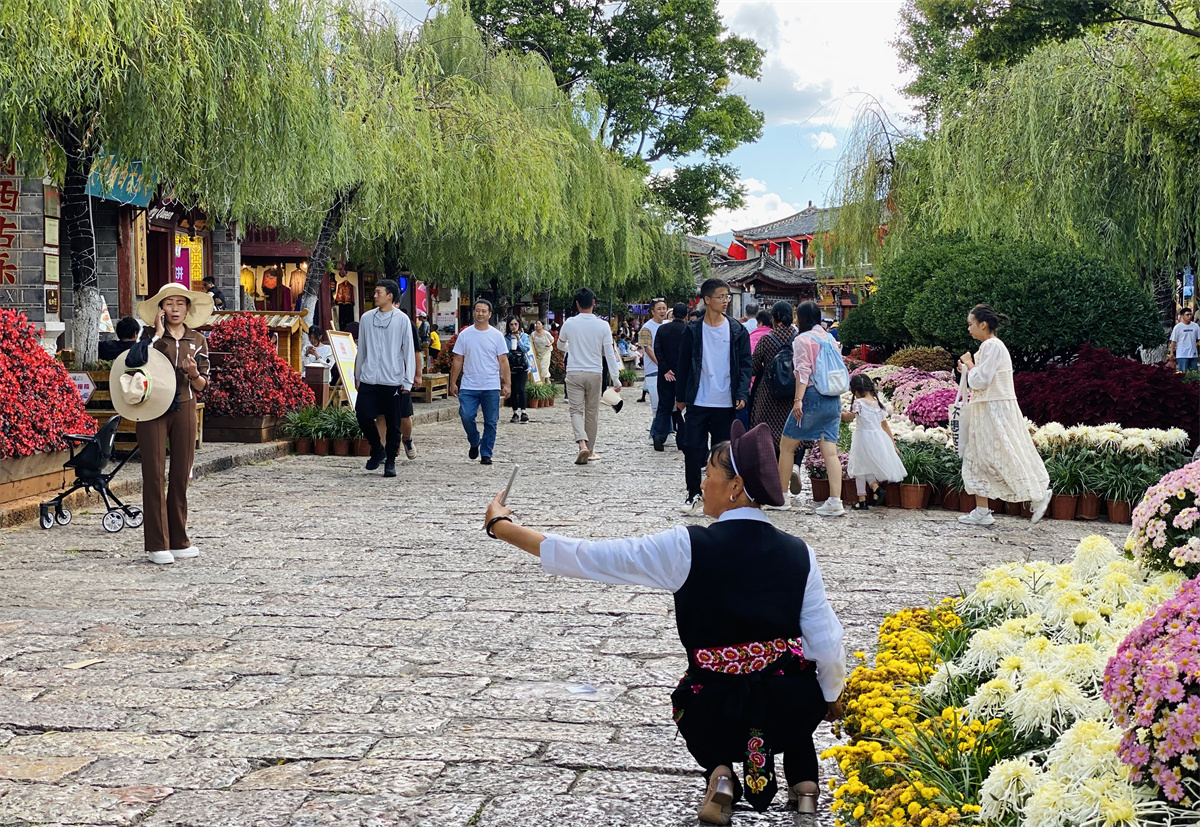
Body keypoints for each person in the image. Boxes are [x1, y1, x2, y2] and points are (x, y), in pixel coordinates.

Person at [482, 421, 846, 826]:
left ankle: (720, 773)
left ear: (736, 487)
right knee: (797, 674)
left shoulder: (686, 546)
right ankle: (804, 784)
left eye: (709, 473)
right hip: (785, 711)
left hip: (715, 710)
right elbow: (827, 641)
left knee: (693, 695)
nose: (702, 483)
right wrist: (831, 696)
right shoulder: (799, 553)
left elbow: (591, 556)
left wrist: (503, 527)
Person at [130, 284, 213, 564]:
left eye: (180, 303)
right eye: (169, 303)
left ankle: (178, 540)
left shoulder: (198, 339)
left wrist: (193, 373)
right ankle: (157, 544)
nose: (175, 308)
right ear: (161, 309)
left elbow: (203, 385)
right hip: (152, 407)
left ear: (188, 308)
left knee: (181, 473)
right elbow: (135, 362)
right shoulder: (148, 336)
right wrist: (157, 335)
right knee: (154, 474)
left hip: (185, 405)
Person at [958, 304, 1052, 526]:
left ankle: (1038, 494)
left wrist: (969, 365)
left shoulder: (992, 345)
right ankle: (982, 510)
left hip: (994, 409)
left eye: (971, 324)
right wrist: (969, 369)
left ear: (983, 324)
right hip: (987, 408)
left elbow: (981, 380)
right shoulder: (989, 347)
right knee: (978, 457)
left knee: (1004, 453)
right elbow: (981, 378)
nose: (969, 329)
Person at [674, 278, 752, 514]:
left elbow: (745, 364)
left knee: (722, 454)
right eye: (721, 297)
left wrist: (742, 392)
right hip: (698, 400)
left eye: (727, 296)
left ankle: (722, 499)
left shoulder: (737, 330)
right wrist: (680, 397)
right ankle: (693, 494)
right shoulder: (692, 330)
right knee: (692, 449)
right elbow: (683, 365)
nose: (725, 301)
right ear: (707, 300)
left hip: (725, 401)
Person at [777, 302, 845, 517]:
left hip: (812, 396)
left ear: (801, 317)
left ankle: (782, 497)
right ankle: (835, 501)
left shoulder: (802, 340)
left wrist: (798, 400)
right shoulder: (830, 338)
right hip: (833, 398)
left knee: (786, 446)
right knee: (830, 451)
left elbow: (803, 372)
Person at [353, 279, 416, 478]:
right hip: (369, 377)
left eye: (378, 292)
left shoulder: (402, 320)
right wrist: (358, 374)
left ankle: (390, 461)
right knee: (362, 415)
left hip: (392, 379)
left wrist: (408, 380)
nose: (374, 295)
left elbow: (408, 350)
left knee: (393, 423)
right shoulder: (366, 318)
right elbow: (362, 348)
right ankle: (377, 448)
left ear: (390, 296)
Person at [557, 288, 623, 465]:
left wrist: (572, 348)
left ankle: (582, 444)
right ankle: (591, 449)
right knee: (592, 413)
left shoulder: (569, 323)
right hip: (595, 372)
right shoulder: (603, 326)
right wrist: (616, 379)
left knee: (576, 411)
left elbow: (560, 345)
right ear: (593, 303)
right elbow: (609, 353)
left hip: (574, 372)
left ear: (577, 304)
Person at [749, 302, 804, 503]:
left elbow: (754, 367)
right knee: (794, 433)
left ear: (773, 318)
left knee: (769, 435)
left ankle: (775, 480)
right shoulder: (799, 339)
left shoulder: (766, 339)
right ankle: (795, 466)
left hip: (769, 394)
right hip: (794, 394)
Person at [450, 299, 511, 465]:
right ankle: (474, 439)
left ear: (489, 314)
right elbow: (458, 359)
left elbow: (503, 361)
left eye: (484, 311)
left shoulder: (496, 336)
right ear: (473, 312)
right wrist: (453, 382)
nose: (480, 314)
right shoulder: (465, 335)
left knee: (491, 421)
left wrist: (507, 384)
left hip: (490, 385)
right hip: (469, 385)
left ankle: (486, 453)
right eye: (478, 310)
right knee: (466, 415)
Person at [843, 374, 905, 511]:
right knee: (866, 466)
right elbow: (885, 425)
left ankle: (862, 500)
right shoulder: (879, 405)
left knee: (859, 467)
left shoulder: (859, 403)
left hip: (862, 437)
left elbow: (847, 417)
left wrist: (839, 412)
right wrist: (893, 444)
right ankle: (876, 488)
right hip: (878, 438)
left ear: (856, 390)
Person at [650, 302, 688, 452]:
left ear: (672, 314)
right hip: (683, 375)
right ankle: (682, 439)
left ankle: (659, 435)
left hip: (665, 375)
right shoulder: (689, 330)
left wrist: (665, 369)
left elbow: (657, 350)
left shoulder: (662, 329)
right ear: (685, 315)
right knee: (682, 407)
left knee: (664, 405)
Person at [639, 299, 668, 413]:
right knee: (657, 406)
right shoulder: (647, 328)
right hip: (653, 370)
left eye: (664, 308)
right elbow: (648, 349)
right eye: (659, 309)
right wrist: (661, 364)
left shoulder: (667, 325)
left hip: (668, 370)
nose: (662, 311)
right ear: (653, 311)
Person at [504, 316, 532, 423]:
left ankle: (523, 412)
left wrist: (518, 339)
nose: (514, 326)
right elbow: (504, 353)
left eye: (515, 324)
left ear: (519, 325)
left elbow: (526, 349)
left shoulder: (524, 336)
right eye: (511, 324)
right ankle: (515, 412)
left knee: (521, 389)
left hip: (522, 366)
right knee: (513, 390)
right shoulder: (506, 338)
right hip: (511, 367)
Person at [1169, 307, 1199, 373]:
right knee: (1183, 373)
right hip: (1182, 354)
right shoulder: (1177, 327)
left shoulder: (1196, 326)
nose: (1189, 316)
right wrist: (1171, 353)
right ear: (1182, 316)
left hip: (1193, 354)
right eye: (1187, 315)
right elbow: (1173, 341)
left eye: (1190, 314)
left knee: (1194, 373)